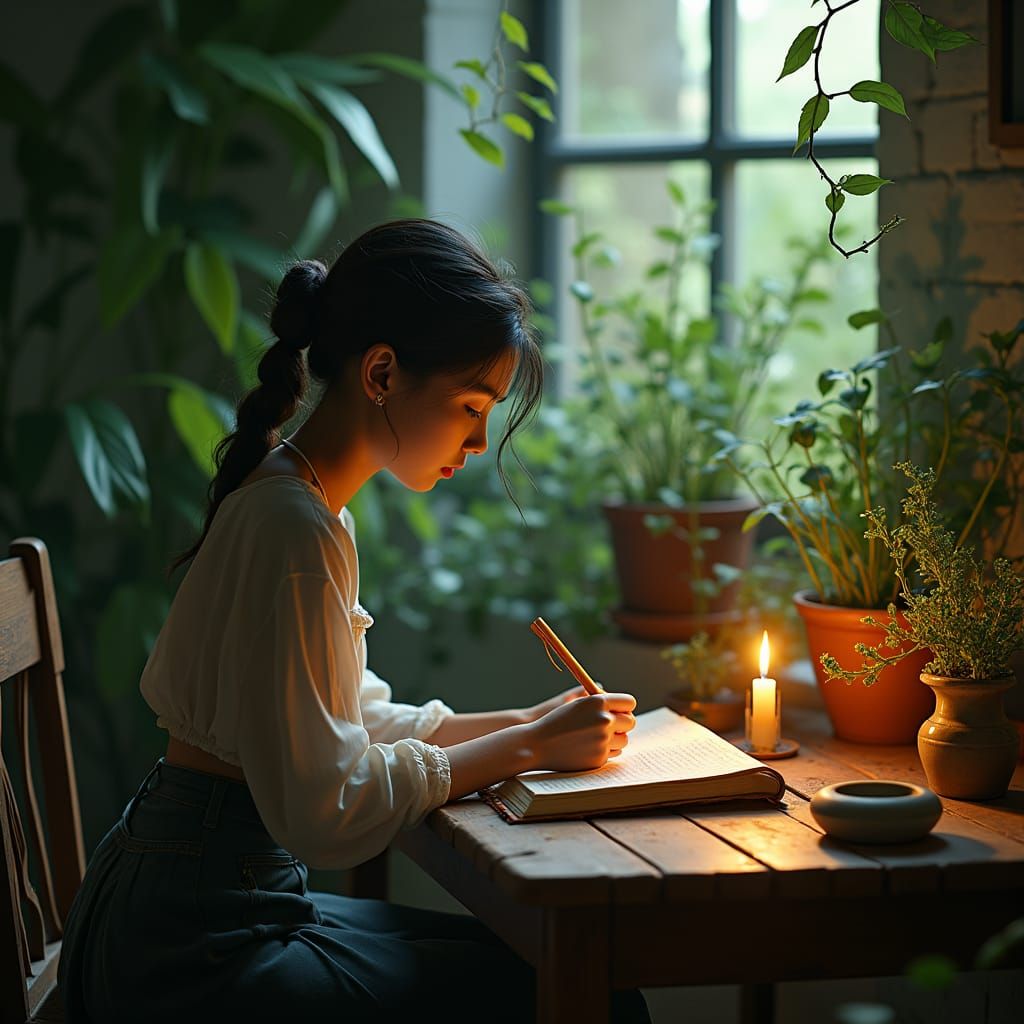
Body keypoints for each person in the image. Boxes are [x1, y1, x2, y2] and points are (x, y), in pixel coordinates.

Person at [58, 219, 649, 1023]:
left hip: (195, 892)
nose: (478, 442)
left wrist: (524, 719)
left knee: (555, 970)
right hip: (190, 944)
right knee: (588, 996)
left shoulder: (308, 506)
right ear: (380, 373)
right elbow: (326, 808)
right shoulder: (293, 526)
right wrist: (530, 747)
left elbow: (352, 717)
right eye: (471, 406)